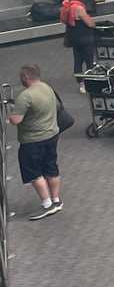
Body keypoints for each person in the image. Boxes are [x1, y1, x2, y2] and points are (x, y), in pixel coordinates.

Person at [8, 63, 63, 219]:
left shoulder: (26, 96)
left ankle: (47, 204)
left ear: (26, 77)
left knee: (34, 172)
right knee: (51, 168)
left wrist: (10, 117)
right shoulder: (47, 88)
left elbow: (16, 120)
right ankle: (56, 200)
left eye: (21, 77)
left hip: (32, 141)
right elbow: (57, 107)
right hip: (52, 135)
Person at [59, 0, 98, 92]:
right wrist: (94, 24)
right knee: (89, 61)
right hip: (85, 38)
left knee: (78, 61)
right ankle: (91, 83)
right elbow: (90, 23)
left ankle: (81, 84)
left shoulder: (67, 6)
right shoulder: (79, 7)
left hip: (74, 38)